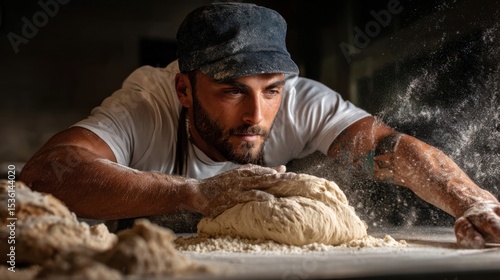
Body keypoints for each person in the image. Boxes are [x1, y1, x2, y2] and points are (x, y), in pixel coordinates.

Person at [20, 2, 499, 249]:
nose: (256, 115)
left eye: (270, 89)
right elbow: (43, 175)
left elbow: (391, 149)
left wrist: (469, 200)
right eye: (231, 90)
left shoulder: (299, 100)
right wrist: (195, 194)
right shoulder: (147, 104)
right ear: (184, 90)